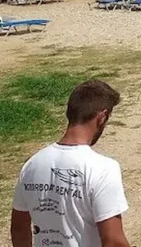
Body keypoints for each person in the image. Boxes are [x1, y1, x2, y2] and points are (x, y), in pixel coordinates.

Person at [10, 80, 131, 247]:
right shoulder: (103, 169)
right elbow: (113, 241)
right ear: (102, 117)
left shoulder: (32, 165)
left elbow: (19, 229)